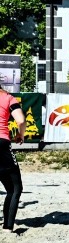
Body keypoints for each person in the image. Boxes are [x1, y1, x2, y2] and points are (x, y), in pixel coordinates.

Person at [0, 86, 26, 233]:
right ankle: (7, 227)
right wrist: (20, 135)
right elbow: (21, 120)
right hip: (2, 143)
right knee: (14, 188)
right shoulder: (8, 98)